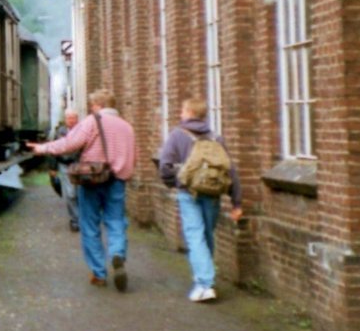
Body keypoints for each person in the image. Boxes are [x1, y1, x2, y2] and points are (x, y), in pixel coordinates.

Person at [27, 88, 136, 292]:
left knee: (90, 224)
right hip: (117, 181)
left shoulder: (92, 122)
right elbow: (132, 158)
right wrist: (122, 175)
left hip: (91, 180)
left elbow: (70, 144)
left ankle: (98, 273)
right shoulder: (127, 127)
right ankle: (117, 254)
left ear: (97, 105)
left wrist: (43, 148)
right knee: (116, 221)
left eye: (91, 105)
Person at [158, 98, 243, 303]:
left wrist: (174, 183)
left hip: (189, 192)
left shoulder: (177, 135)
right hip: (213, 193)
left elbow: (165, 165)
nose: (180, 114)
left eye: (182, 110)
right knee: (206, 235)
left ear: (188, 112)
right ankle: (204, 278)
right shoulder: (215, 138)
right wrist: (236, 202)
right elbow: (230, 170)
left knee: (195, 235)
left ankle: (205, 283)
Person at [50, 108, 80, 232]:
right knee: (70, 194)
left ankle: (82, 218)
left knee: (80, 193)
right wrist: (52, 167)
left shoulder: (82, 130)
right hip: (65, 165)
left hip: (80, 165)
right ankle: (75, 220)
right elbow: (53, 149)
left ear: (77, 119)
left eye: (73, 118)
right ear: (65, 119)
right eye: (69, 118)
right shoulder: (60, 132)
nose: (71, 120)